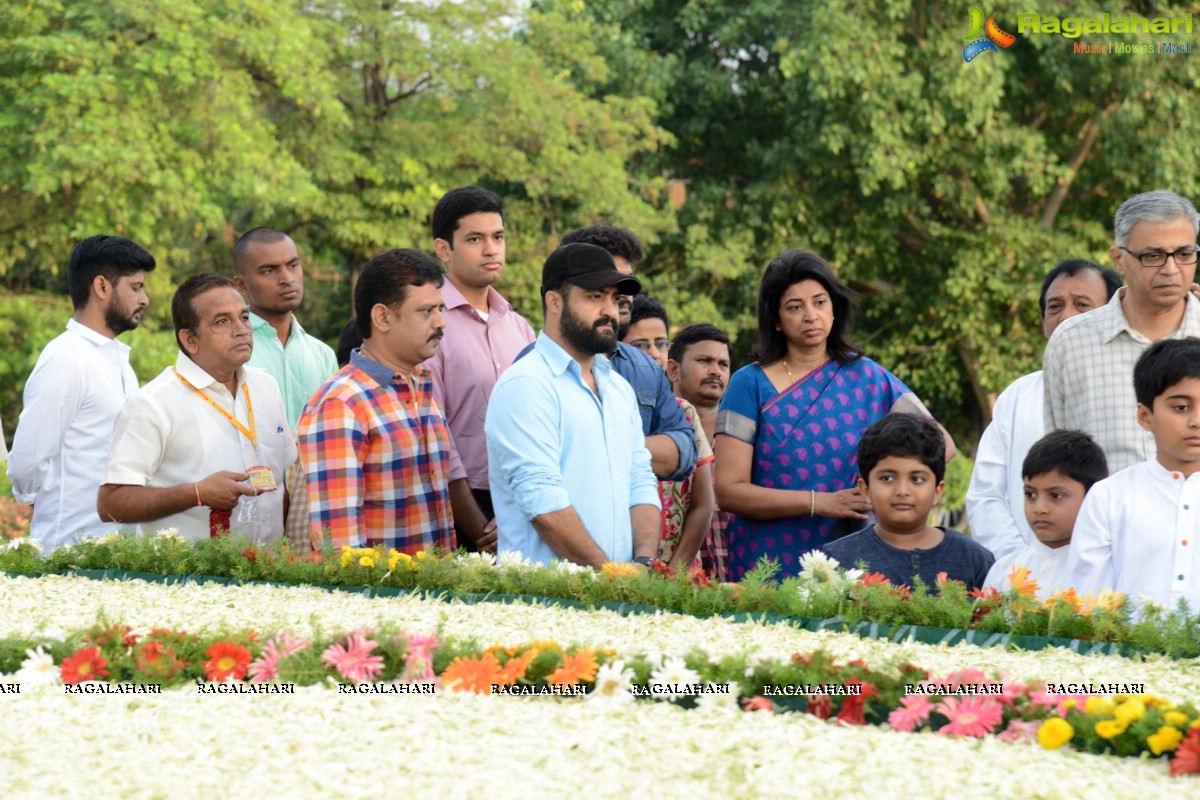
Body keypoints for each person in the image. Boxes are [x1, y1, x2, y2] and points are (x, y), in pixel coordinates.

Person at [714, 249, 955, 580]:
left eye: (820, 302)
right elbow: (729, 490)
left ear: (834, 308)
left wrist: (880, 488)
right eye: (795, 307)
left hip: (855, 554)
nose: (811, 315)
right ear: (776, 319)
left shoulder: (868, 377)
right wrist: (821, 502)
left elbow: (943, 445)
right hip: (767, 561)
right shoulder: (749, 384)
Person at [297, 249, 488, 554]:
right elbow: (340, 550)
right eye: (427, 311)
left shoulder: (421, 387)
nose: (442, 323)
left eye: (441, 309)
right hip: (382, 597)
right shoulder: (341, 405)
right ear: (383, 317)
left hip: (433, 591)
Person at [486, 242, 660, 567]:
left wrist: (644, 562)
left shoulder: (619, 389)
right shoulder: (526, 385)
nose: (610, 310)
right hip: (542, 601)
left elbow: (640, 482)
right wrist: (610, 575)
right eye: (595, 297)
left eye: (613, 297)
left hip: (616, 599)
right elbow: (543, 504)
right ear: (554, 301)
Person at [98, 274, 294, 543]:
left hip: (271, 573)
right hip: (190, 580)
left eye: (244, 317)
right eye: (222, 321)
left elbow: (285, 479)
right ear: (190, 340)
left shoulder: (265, 386)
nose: (241, 330)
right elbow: (111, 503)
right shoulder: (152, 403)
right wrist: (196, 493)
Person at [8, 235, 155, 549]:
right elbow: (27, 462)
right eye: (135, 287)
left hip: (118, 553)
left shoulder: (119, 362)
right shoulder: (66, 359)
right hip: (66, 551)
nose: (145, 299)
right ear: (102, 287)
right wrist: (48, 504)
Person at [966, 260, 1120, 559]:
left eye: (1082, 304)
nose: (1067, 316)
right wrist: (1024, 564)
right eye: (1055, 306)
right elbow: (986, 496)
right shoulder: (1017, 397)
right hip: (1026, 580)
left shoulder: (1134, 393)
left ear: (1113, 316)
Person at [1044, 190, 1200, 472]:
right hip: (1102, 516)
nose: (1171, 269)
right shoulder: (1071, 342)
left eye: (1184, 253)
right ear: (1118, 259)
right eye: (1153, 256)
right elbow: (1060, 458)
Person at [424, 186, 533, 551]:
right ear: (444, 249)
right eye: (475, 238)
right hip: (461, 508)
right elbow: (434, 433)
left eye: (497, 237)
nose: (491, 249)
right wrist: (477, 527)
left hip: (526, 503)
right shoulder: (430, 322)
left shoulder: (519, 327)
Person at [551, 224, 698, 482]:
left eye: (626, 282)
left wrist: (610, 446)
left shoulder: (646, 367)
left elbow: (685, 452)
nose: (622, 295)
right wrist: (645, 449)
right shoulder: (535, 370)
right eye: (606, 284)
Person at [1066, 338, 1200, 609]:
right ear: (1144, 415)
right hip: (1123, 649)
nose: (1196, 421)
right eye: (1181, 408)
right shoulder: (1110, 496)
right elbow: (1087, 603)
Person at [822, 414, 993, 592]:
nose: (902, 490)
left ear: (937, 491)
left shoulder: (973, 559)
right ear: (865, 489)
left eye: (916, 479)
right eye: (887, 478)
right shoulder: (837, 559)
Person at [621, 296, 714, 569]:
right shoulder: (603, 411)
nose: (654, 353)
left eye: (661, 343)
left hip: (679, 569)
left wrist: (675, 570)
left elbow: (702, 504)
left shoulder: (684, 412)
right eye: (640, 345)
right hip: (620, 568)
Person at [232, 227, 337, 429]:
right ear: (242, 285)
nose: (287, 278)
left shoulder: (322, 355)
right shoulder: (229, 350)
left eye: (293, 265)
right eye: (269, 270)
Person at [983, 430, 1107, 600]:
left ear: (1092, 497)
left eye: (1055, 496)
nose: (1039, 508)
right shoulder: (1004, 571)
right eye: (1030, 495)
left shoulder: (1103, 572)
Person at [668, 323, 733, 581]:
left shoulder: (742, 441)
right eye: (704, 361)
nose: (715, 371)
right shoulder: (660, 438)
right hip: (672, 583)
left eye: (723, 364)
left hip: (736, 583)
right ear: (673, 369)